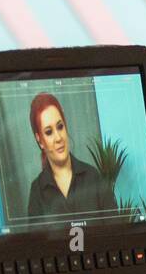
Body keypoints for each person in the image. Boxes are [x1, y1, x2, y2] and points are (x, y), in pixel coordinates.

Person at [25, 93, 117, 221]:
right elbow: (36, 241)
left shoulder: (93, 177)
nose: (58, 138)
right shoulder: (37, 192)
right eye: (49, 132)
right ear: (40, 140)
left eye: (60, 127)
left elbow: (116, 232)